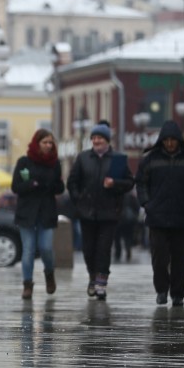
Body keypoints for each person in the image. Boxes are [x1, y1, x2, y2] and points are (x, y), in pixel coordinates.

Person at [135, 120, 184, 307]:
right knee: (159, 258)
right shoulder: (151, 160)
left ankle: (178, 293)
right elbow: (141, 183)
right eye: (166, 140)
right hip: (157, 216)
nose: (170, 143)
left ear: (179, 140)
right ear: (161, 140)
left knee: (181, 258)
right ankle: (161, 290)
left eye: (173, 140)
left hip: (182, 216)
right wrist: (147, 203)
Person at [67, 122, 134, 300]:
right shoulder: (83, 158)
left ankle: (101, 284)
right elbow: (72, 182)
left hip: (109, 213)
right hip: (87, 212)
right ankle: (92, 277)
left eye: (100, 138)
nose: (96, 141)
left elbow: (129, 183)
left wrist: (115, 184)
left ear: (107, 141)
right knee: (88, 250)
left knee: (103, 250)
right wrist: (78, 199)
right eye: (94, 138)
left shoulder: (118, 159)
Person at [11, 129, 65, 300]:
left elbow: (60, 187)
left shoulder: (55, 163)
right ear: (37, 143)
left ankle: (49, 273)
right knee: (28, 250)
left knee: (46, 248)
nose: (48, 146)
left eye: (51, 143)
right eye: (45, 142)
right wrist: (31, 184)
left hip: (47, 212)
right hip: (27, 213)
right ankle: (28, 284)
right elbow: (15, 186)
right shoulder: (24, 162)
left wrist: (50, 185)